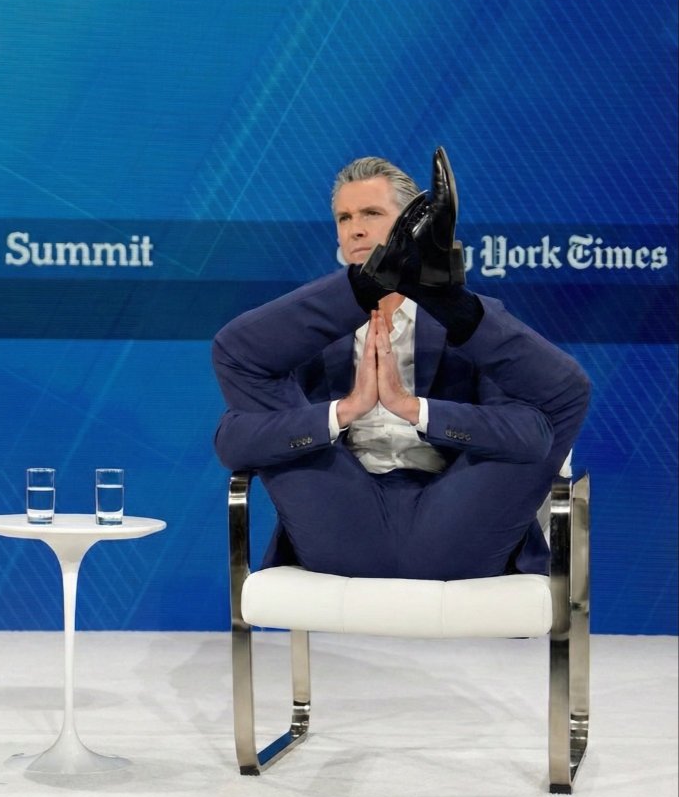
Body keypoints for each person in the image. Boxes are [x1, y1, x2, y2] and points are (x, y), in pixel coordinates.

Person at [212, 148, 590, 580]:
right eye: (344, 218)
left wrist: (414, 409)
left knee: (565, 394)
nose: (355, 230)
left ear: (410, 224)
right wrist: (344, 411)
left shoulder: (478, 330)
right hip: (338, 516)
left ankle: (438, 295)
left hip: (455, 518)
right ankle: (390, 279)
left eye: (371, 213)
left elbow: (528, 434)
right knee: (235, 350)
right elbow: (234, 443)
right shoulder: (303, 335)